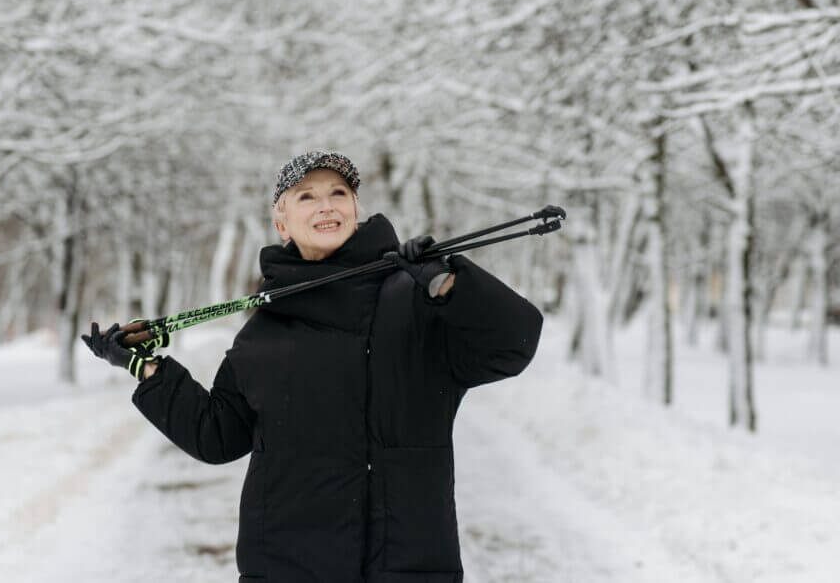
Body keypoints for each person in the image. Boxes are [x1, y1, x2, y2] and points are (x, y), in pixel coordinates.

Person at [83, 150, 543, 583]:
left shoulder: (415, 302)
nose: (326, 206)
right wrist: (147, 370)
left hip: (410, 564)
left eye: (338, 194)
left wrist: (450, 284)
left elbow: (513, 344)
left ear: (355, 208)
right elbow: (217, 435)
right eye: (307, 197)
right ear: (281, 222)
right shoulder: (263, 333)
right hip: (286, 566)